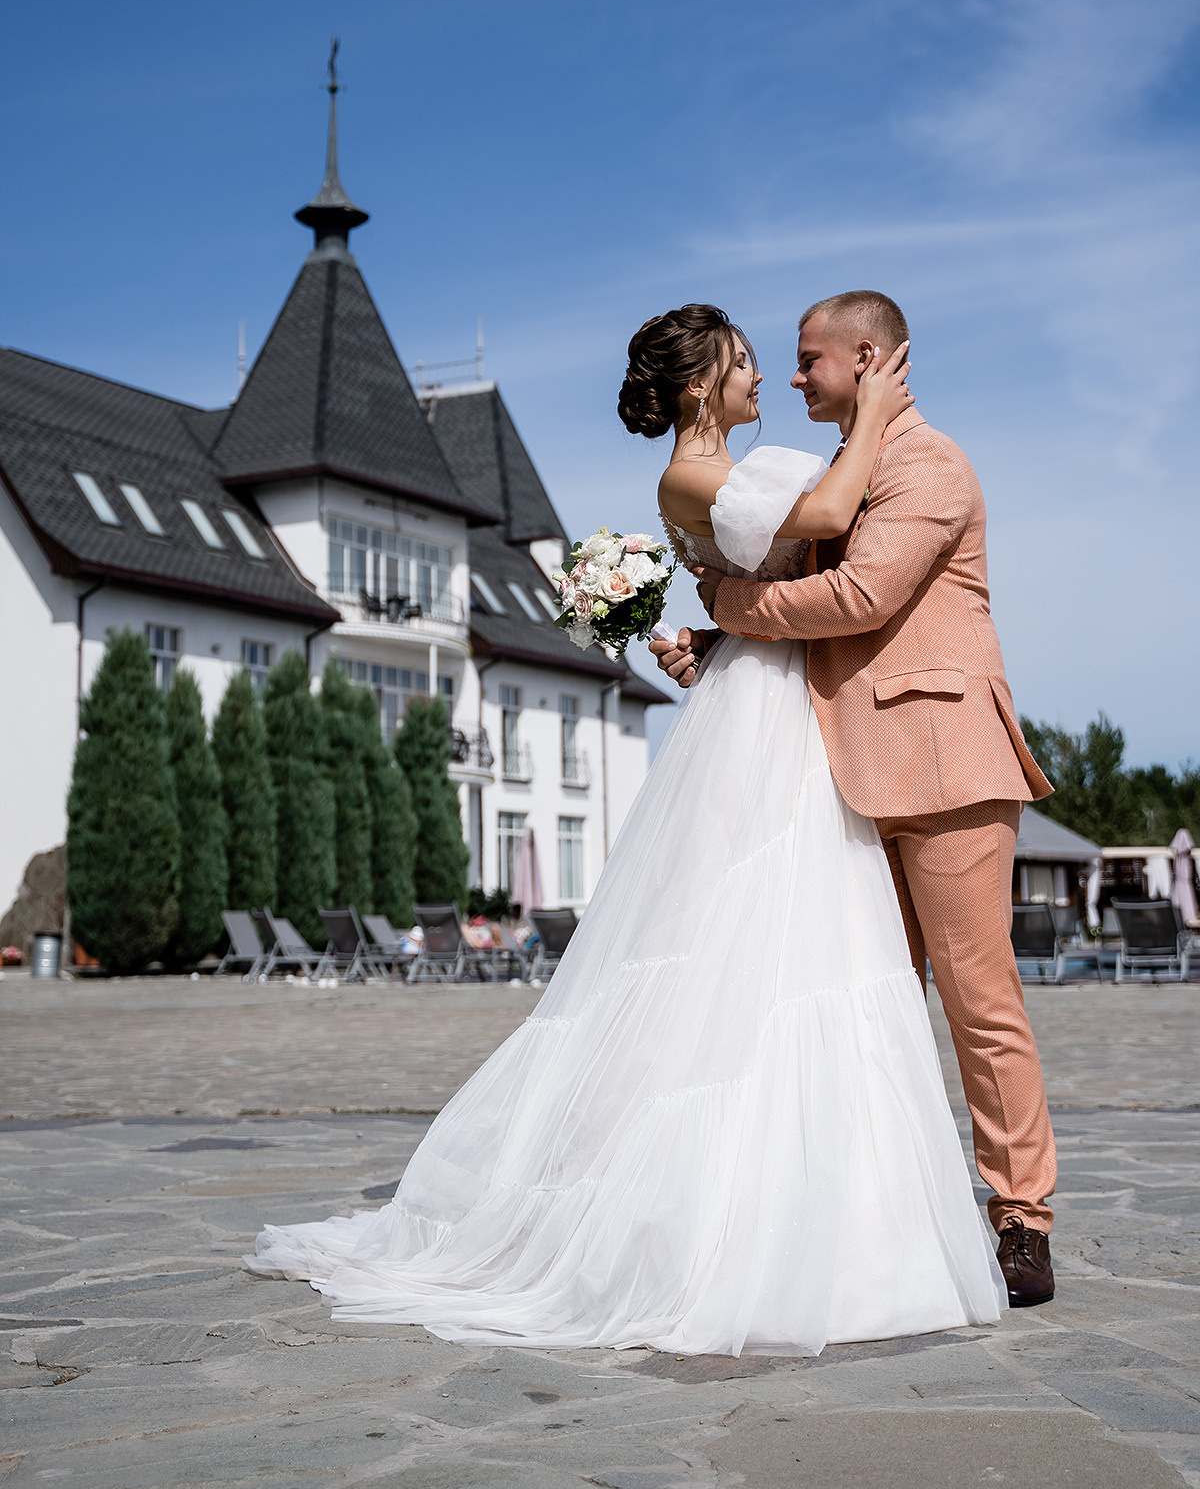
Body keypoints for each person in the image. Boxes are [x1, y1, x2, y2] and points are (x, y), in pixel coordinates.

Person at [247, 300, 1008, 1356]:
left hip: (787, 699)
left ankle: (846, 1212)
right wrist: (876, 409)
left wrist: (710, 618)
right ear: (701, 387)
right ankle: (733, 1217)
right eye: (747, 364)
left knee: (811, 945)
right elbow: (833, 519)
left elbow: (789, 557)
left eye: (775, 363)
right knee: (758, 936)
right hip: (765, 713)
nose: (764, 380)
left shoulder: (747, 469)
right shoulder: (694, 479)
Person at [652, 290, 1057, 1309]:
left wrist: (727, 605)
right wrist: (719, 644)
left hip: (941, 764)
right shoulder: (847, 466)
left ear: (866, 357)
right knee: (869, 1002)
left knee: (979, 1000)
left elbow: (860, 597)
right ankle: (879, 1211)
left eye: (807, 359)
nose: (792, 378)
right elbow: (811, 589)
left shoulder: (928, 464)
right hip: (836, 774)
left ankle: (1021, 1221)